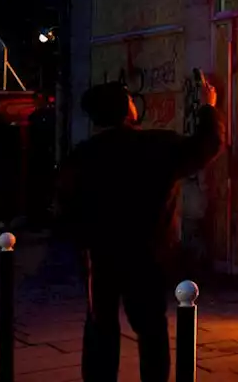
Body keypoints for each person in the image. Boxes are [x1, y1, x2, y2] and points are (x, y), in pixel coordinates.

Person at [59, 77, 224, 382]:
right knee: (151, 332)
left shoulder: (81, 156)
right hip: (146, 257)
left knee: (100, 328)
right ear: (125, 110)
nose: (136, 104)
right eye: (131, 100)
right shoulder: (155, 146)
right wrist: (207, 107)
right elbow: (205, 145)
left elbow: (66, 209)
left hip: (101, 257)